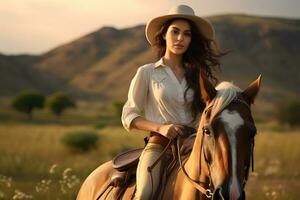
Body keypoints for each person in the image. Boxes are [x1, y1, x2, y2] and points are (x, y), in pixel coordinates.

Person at [121, 4, 227, 200]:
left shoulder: (198, 76)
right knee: (144, 194)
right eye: (175, 32)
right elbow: (129, 115)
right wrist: (161, 128)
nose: (180, 38)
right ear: (164, 35)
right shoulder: (147, 72)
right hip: (160, 146)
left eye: (186, 34)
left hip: (195, 145)